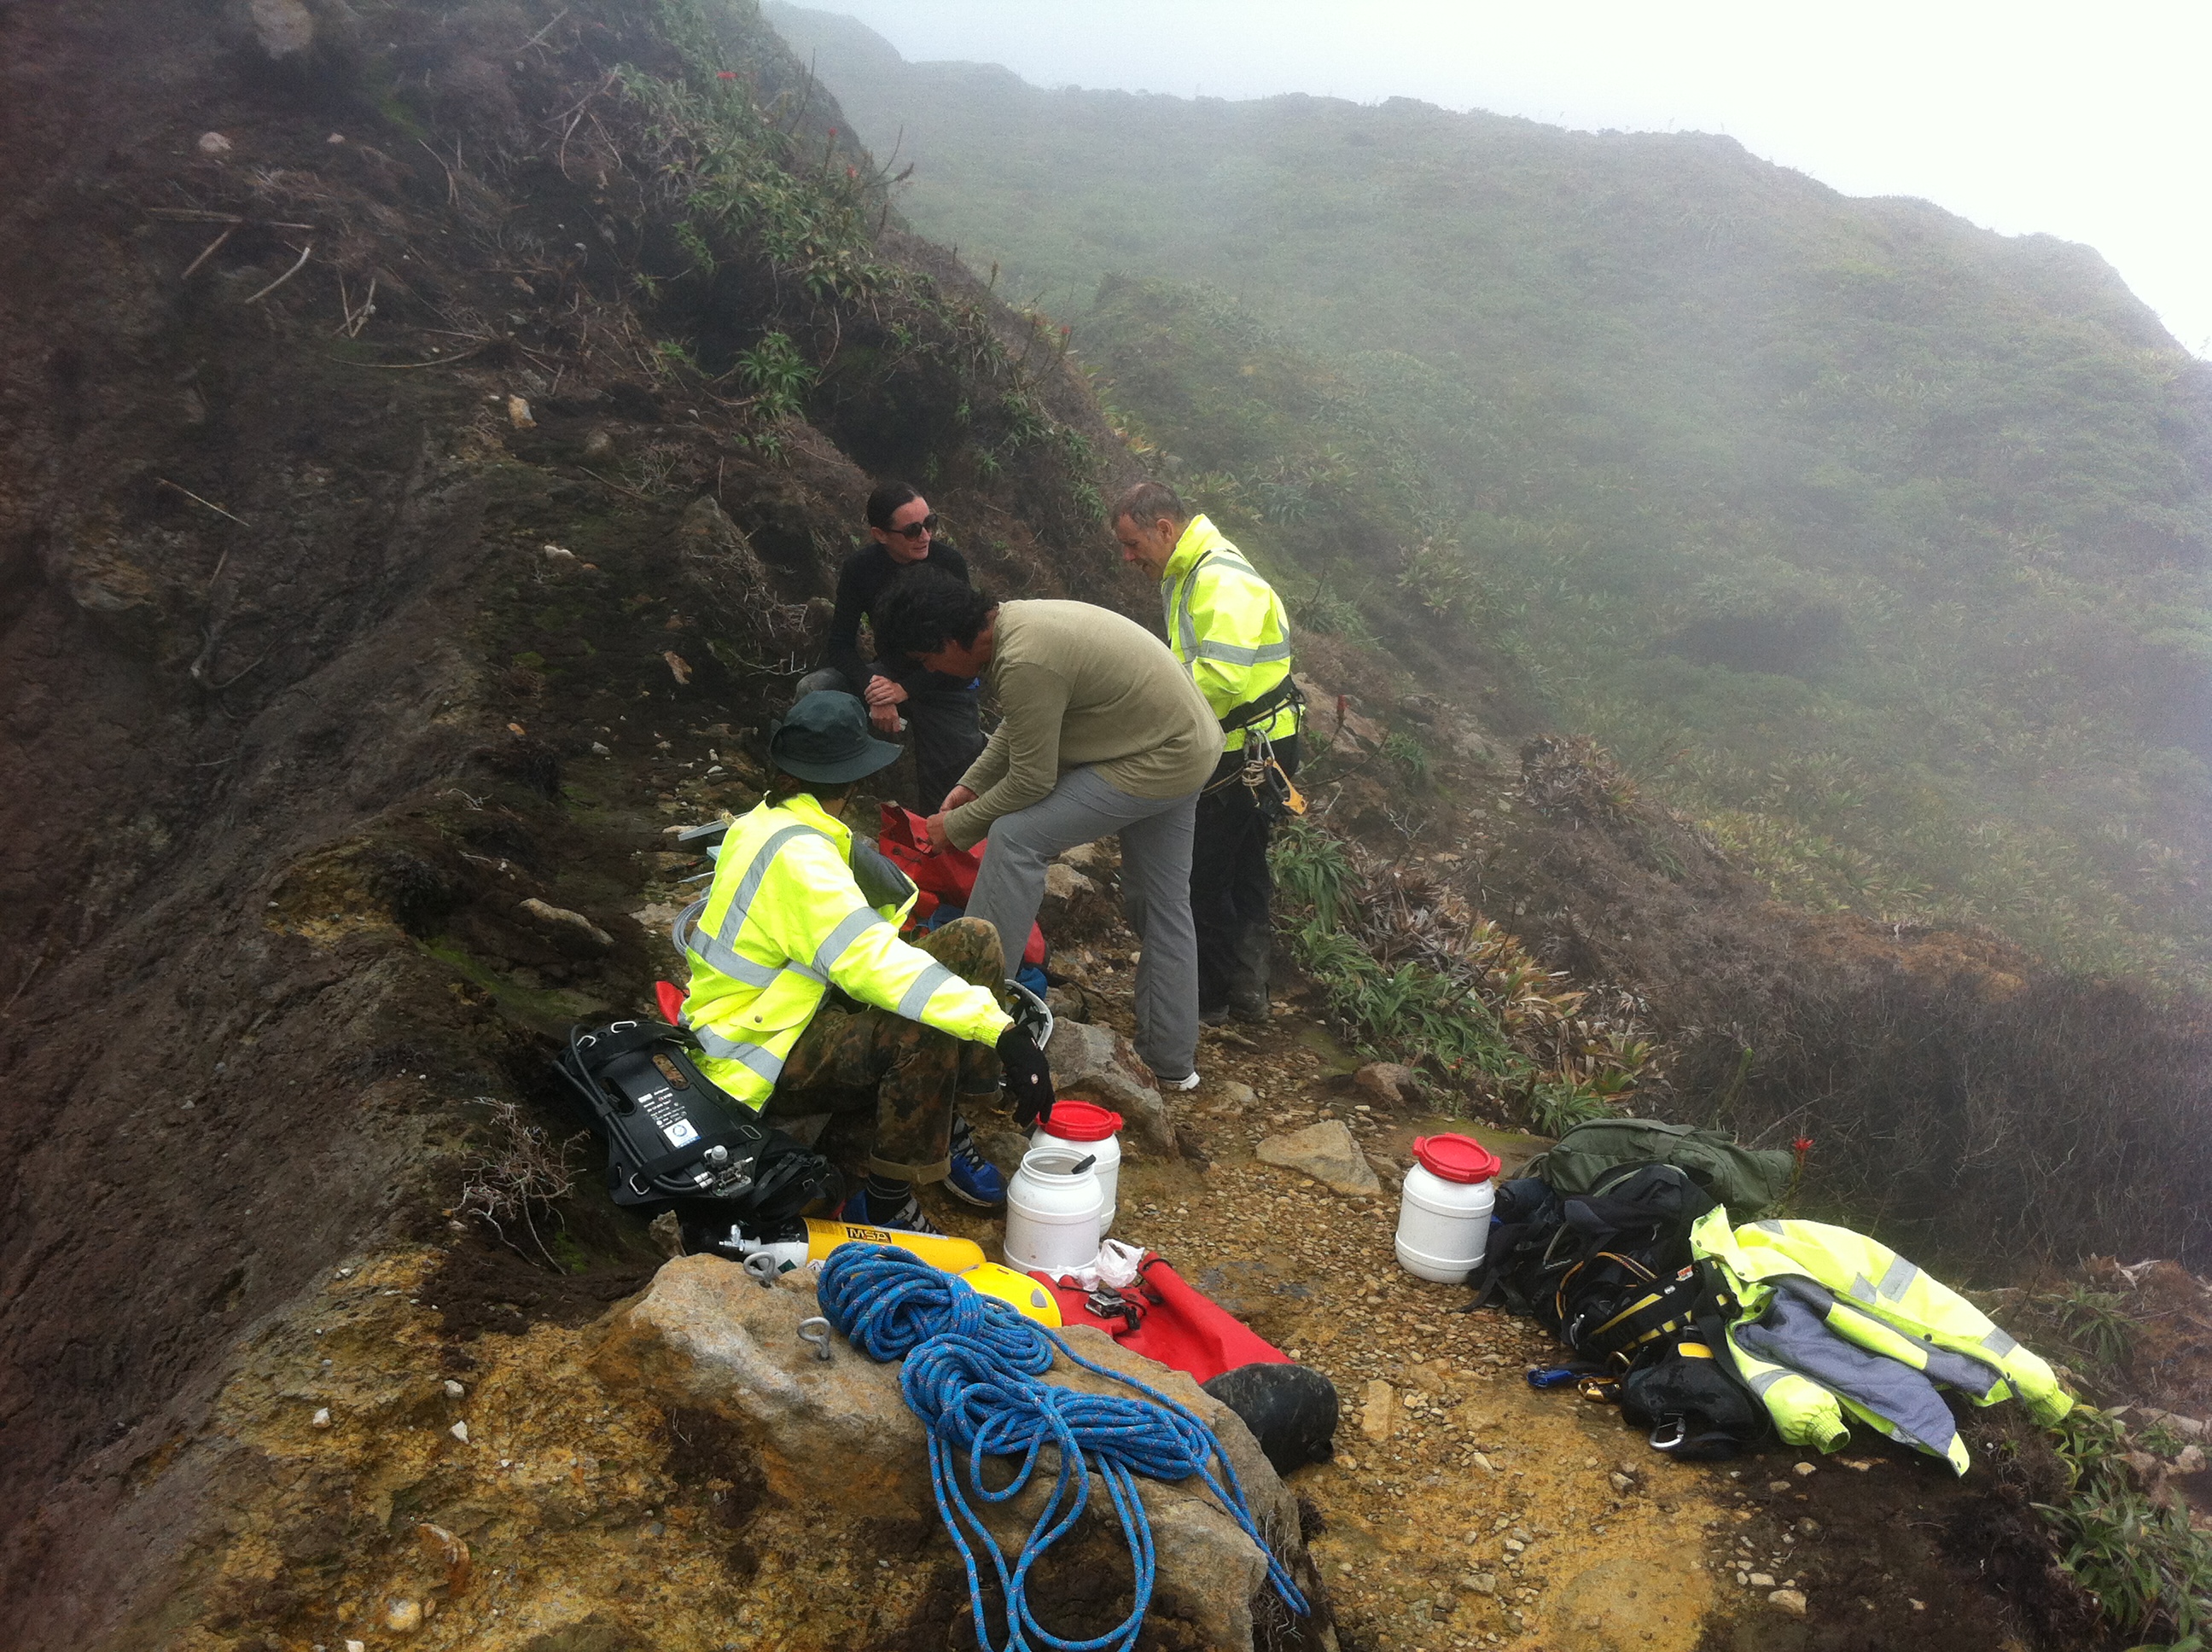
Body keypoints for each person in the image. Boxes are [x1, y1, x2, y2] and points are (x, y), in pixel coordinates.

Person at [674, 691, 1056, 1232]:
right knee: (920, 1028)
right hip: (760, 1047)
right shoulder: (798, 857)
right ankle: (884, 1201)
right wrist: (1003, 1033)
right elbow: (869, 961)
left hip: (799, 1005)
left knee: (973, 938)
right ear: (853, 780)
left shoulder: (771, 820)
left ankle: (947, 1120)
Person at [872, 572, 1223, 1089]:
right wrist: (971, 784)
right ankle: (1172, 1064)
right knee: (1164, 903)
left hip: (1158, 757)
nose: (931, 671)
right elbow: (1023, 724)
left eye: (927, 660)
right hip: (1188, 745)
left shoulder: (1024, 659)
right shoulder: (1017, 623)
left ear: (948, 641)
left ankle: (972, 1027)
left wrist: (960, 825)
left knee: (1015, 838)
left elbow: (1032, 779)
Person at [1112, 481, 1301, 1024]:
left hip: (1246, 750)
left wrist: (1149, 716)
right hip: (1257, 743)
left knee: (1204, 872)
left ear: (1164, 529)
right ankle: (1246, 990)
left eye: (1132, 544)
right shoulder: (1192, 570)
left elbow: (1219, 679)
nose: (1128, 558)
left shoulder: (1219, 579)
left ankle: (1209, 996)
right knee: (1242, 865)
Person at [793, 481, 987, 811]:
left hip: (946, 681)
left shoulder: (948, 563)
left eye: (930, 524)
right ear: (880, 535)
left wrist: (905, 690)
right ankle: (808, 791)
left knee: (952, 796)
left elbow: (967, 649)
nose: (925, 536)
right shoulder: (861, 568)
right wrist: (875, 688)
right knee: (815, 689)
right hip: (889, 671)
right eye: (912, 530)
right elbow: (840, 644)